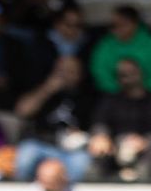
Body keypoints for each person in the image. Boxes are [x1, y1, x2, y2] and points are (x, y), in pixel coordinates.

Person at [12, 54, 94, 183]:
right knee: (26, 155)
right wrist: (48, 89)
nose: (66, 75)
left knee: (82, 162)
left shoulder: (87, 96)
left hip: (72, 150)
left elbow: (94, 127)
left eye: (71, 71)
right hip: (41, 144)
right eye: (61, 71)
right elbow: (23, 111)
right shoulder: (43, 91)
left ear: (80, 74)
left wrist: (82, 134)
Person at [89, 60, 151, 182]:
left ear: (141, 74)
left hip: (144, 149)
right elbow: (100, 123)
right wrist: (101, 136)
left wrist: (144, 141)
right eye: (123, 74)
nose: (128, 77)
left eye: (132, 72)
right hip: (114, 147)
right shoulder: (110, 101)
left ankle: (142, 188)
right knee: (97, 155)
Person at [89, 5, 151, 97]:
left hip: (148, 96)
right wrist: (118, 90)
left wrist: (140, 90)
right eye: (113, 25)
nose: (116, 29)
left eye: (121, 25)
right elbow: (99, 72)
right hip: (113, 96)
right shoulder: (106, 44)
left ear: (134, 24)